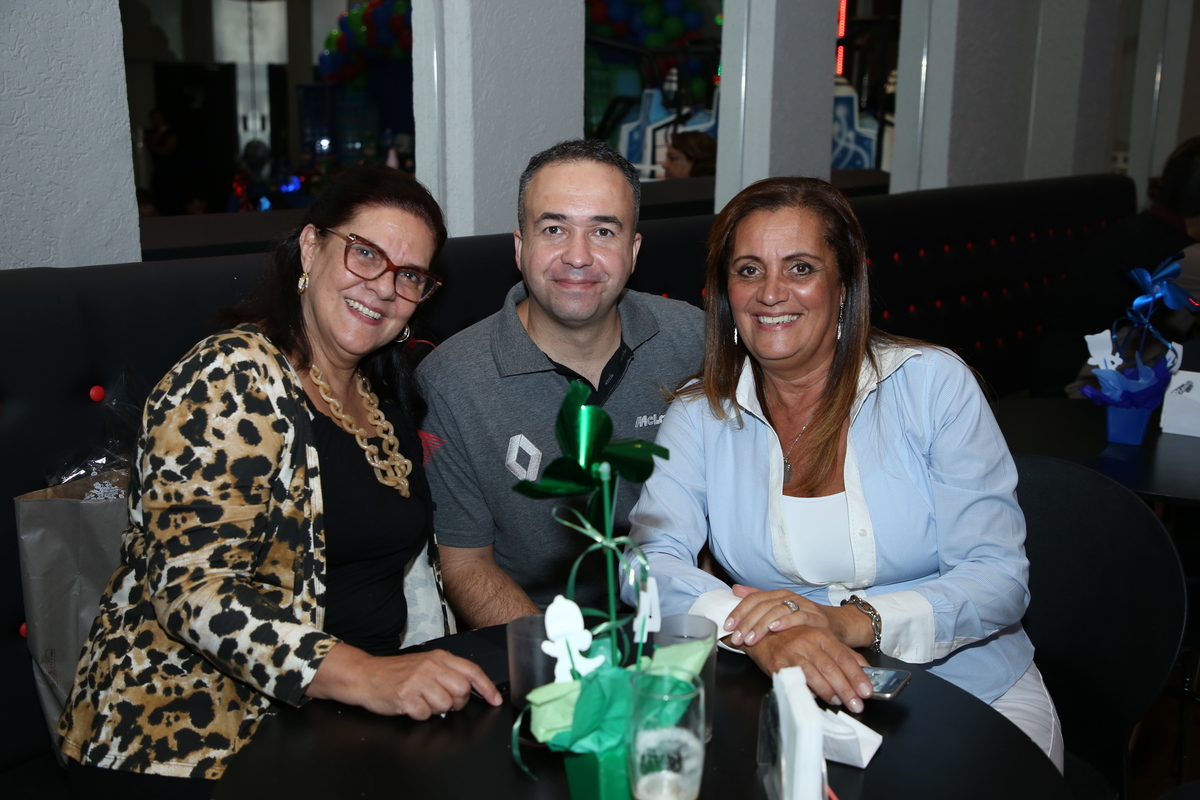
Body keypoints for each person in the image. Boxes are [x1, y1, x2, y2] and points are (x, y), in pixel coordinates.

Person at [58, 166, 502, 799]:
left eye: (409, 275)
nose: (383, 286)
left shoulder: (379, 395)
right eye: (365, 253)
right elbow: (193, 590)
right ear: (311, 247)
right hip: (197, 741)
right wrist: (366, 675)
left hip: (344, 726)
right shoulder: (229, 378)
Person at [621, 176, 1064, 770]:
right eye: (749, 270)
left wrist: (848, 621)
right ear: (726, 293)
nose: (770, 293)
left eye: (800, 268)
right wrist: (759, 632)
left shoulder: (932, 385)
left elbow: (999, 580)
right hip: (791, 697)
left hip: (970, 693)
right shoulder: (700, 413)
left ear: (845, 285)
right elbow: (646, 561)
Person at [416, 139, 704, 628]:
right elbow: (466, 565)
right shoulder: (450, 381)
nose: (578, 256)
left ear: (633, 251)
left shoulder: (695, 340)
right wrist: (563, 658)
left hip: (682, 622)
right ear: (520, 246)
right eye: (554, 229)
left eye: (603, 231)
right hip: (538, 635)